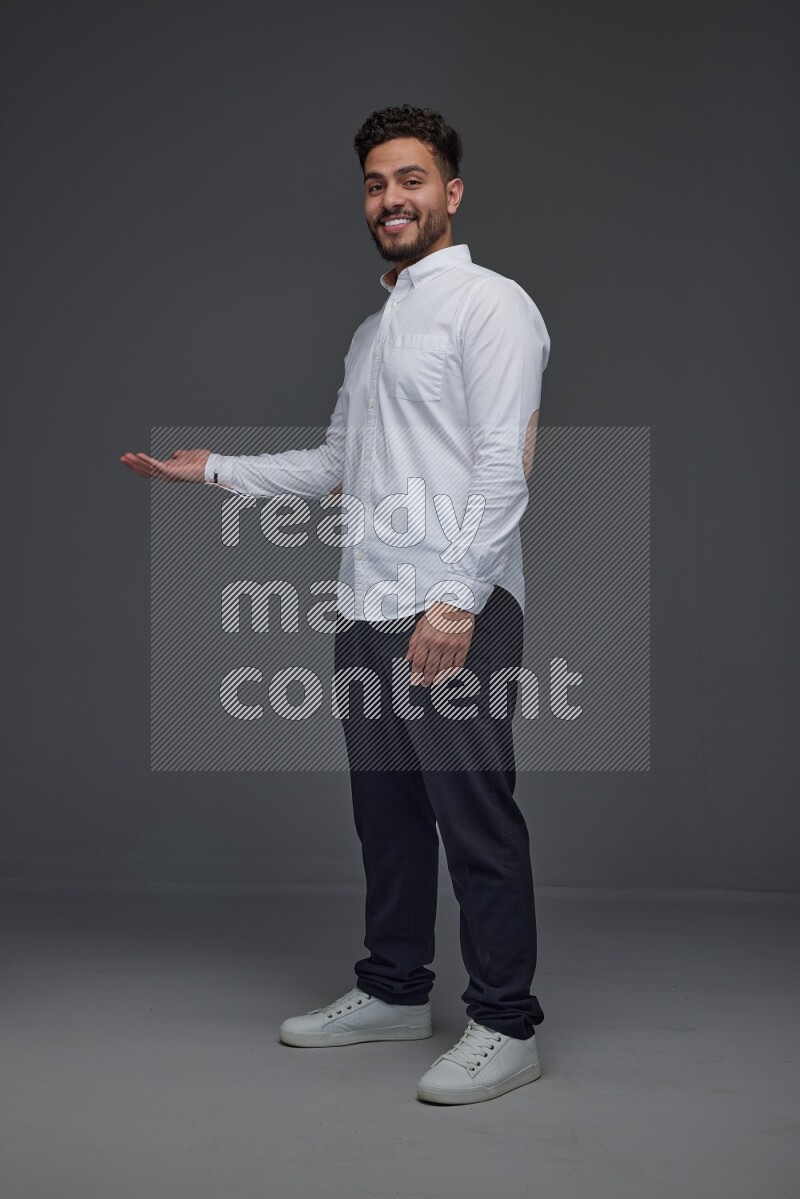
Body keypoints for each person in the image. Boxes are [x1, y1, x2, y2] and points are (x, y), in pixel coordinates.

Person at [121, 103, 551, 1105]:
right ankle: (395, 988)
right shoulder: (374, 330)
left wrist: (453, 601)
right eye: (373, 183)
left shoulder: (491, 305)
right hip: (366, 607)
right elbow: (333, 464)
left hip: (452, 613)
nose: (389, 198)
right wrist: (213, 470)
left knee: (475, 818)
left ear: (450, 190)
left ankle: (505, 1020)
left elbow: (505, 463)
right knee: (388, 817)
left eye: (409, 179)